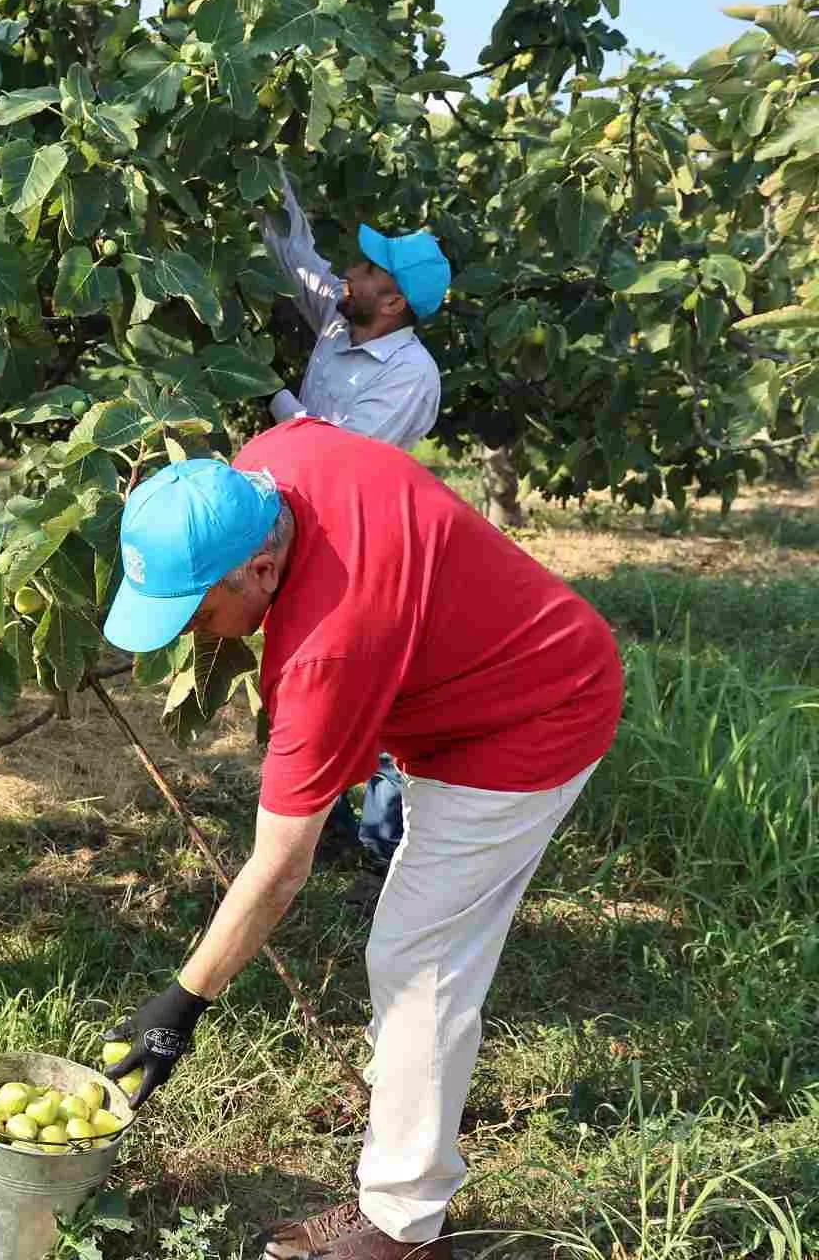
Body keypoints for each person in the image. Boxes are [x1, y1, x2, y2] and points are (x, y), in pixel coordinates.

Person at [98, 419, 622, 1259]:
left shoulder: (324, 652)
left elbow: (279, 869)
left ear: (262, 569)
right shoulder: (272, 464)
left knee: (420, 958)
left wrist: (181, 1005)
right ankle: (401, 1132)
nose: (191, 633)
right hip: (473, 680)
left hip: (534, 716)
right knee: (415, 945)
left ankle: (403, 1228)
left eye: (196, 611)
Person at [260, 169, 454, 871]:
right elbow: (297, 259)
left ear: (394, 300)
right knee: (305, 674)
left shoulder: (411, 375)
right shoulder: (341, 321)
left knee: (369, 685)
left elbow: (340, 455)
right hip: (299, 524)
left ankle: (386, 845)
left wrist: (268, 390)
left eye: (368, 269)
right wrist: (265, 178)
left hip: (359, 539)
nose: (350, 272)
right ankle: (329, 825)